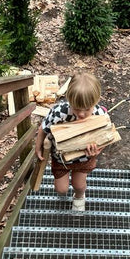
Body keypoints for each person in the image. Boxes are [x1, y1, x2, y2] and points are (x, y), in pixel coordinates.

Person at [35, 72, 106, 212]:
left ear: (96, 101)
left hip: (84, 158)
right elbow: (43, 128)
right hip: (60, 159)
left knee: (79, 185)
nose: (81, 114)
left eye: (87, 109)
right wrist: (38, 147)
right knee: (61, 189)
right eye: (76, 108)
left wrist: (98, 150)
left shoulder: (100, 115)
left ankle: (79, 197)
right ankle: (64, 195)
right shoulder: (58, 113)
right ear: (69, 100)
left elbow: (104, 137)